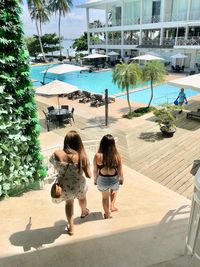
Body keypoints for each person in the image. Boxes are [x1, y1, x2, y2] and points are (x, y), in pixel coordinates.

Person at [50, 130, 91, 235]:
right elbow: (88, 175)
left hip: (64, 186)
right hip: (78, 185)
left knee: (69, 203)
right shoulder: (82, 156)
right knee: (82, 197)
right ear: (78, 142)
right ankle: (83, 211)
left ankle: (71, 227)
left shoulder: (57, 153)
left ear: (66, 141)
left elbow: (55, 166)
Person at [93, 134, 124, 219]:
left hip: (102, 179)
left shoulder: (97, 156)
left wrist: (95, 180)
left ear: (102, 143)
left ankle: (107, 214)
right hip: (114, 179)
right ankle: (112, 207)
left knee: (105, 198)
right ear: (113, 144)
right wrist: (121, 179)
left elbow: (95, 170)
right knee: (114, 190)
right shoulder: (117, 156)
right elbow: (120, 171)